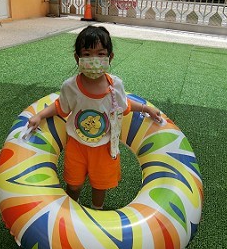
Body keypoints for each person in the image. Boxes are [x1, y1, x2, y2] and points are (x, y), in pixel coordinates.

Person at [27, 25, 162, 210]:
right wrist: (40, 115)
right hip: (76, 145)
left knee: (100, 186)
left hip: (105, 147)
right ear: (78, 58)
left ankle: (96, 211)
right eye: (87, 54)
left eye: (100, 54)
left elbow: (124, 106)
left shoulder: (115, 85)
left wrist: (146, 108)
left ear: (110, 57)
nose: (94, 59)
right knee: (73, 185)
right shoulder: (70, 86)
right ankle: (71, 209)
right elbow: (60, 107)